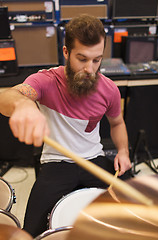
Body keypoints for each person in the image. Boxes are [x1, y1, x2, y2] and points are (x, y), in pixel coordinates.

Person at [0, 14, 131, 237]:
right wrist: (23, 105)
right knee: (31, 231)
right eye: (82, 59)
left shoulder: (109, 89)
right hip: (57, 162)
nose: (90, 69)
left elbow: (117, 123)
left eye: (97, 60)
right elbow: (10, 96)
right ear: (66, 52)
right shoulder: (46, 81)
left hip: (94, 158)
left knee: (134, 213)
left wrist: (124, 151)